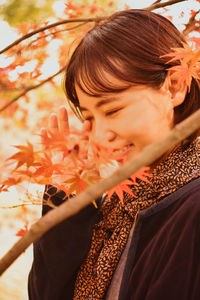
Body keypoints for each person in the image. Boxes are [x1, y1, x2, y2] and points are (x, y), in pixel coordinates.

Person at [28, 9, 200, 300]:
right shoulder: (120, 202)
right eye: (90, 118)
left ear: (173, 87)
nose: (100, 135)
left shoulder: (192, 209)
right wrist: (69, 201)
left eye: (112, 110)